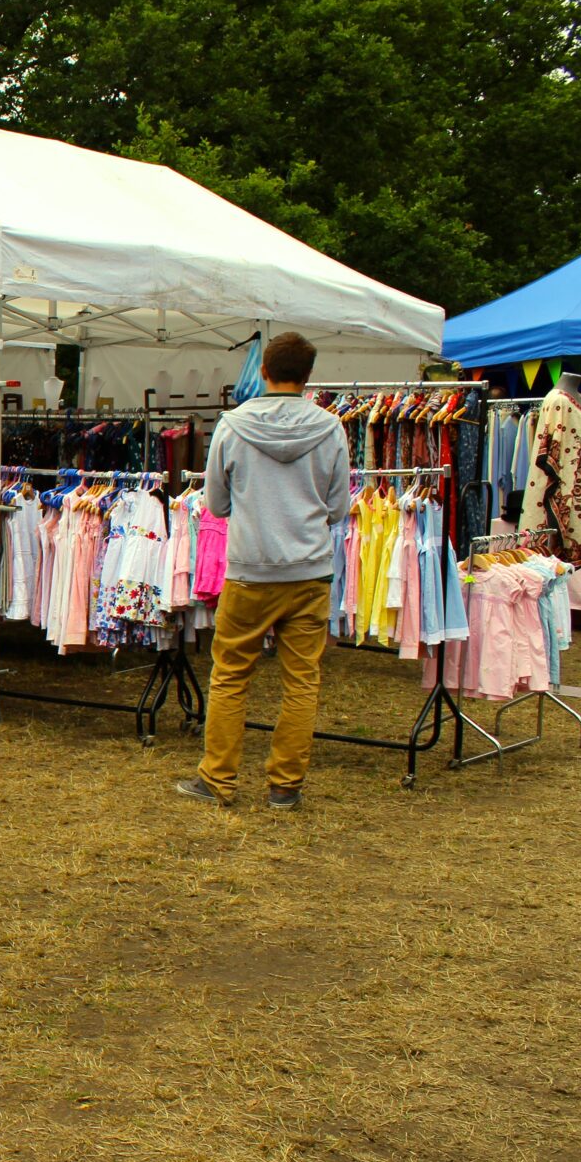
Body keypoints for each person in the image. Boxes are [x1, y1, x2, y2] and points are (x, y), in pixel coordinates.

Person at [177, 332, 351, 810]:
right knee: (302, 679)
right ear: (308, 377)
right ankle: (285, 787)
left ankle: (217, 779)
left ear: (264, 372)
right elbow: (339, 508)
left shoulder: (232, 427)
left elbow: (215, 502)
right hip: (309, 571)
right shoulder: (331, 428)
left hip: (251, 569)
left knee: (231, 674)